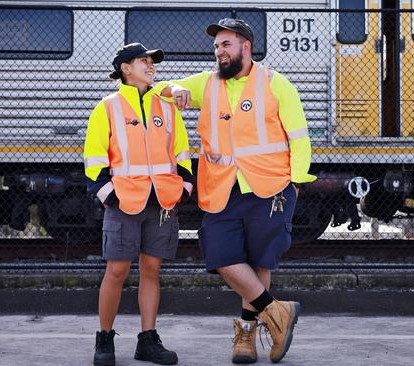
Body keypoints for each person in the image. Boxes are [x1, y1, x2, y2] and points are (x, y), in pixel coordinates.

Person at [158, 18, 316, 364]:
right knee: (221, 256)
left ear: (246, 47)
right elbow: (160, 91)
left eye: (226, 45)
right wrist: (173, 88)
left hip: (270, 186)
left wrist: (297, 181)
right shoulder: (207, 83)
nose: (219, 52)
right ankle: (277, 313)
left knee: (259, 260)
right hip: (221, 188)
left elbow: (300, 138)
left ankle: (245, 338)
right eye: (216, 46)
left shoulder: (278, 85)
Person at [84, 43, 193, 366]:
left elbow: (182, 152)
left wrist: (184, 187)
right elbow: (94, 160)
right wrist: (110, 195)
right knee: (116, 271)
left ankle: (148, 340)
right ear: (124, 68)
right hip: (123, 201)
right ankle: (104, 339)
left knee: (151, 270)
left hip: (162, 201)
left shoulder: (167, 107)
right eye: (143, 61)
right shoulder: (107, 107)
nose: (151, 65)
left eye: (152, 62)